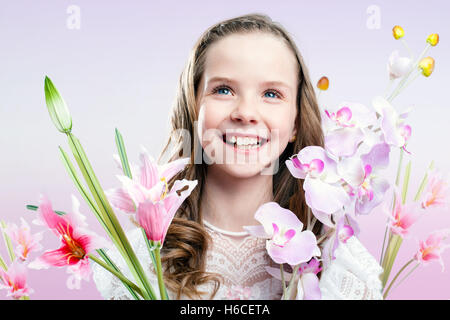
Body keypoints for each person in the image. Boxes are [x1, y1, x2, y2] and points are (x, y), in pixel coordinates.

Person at [92, 13, 383, 300]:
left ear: (295, 122)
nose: (245, 113)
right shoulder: (135, 264)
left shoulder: (339, 266)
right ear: (193, 107)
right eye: (223, 90)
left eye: (271, 94)